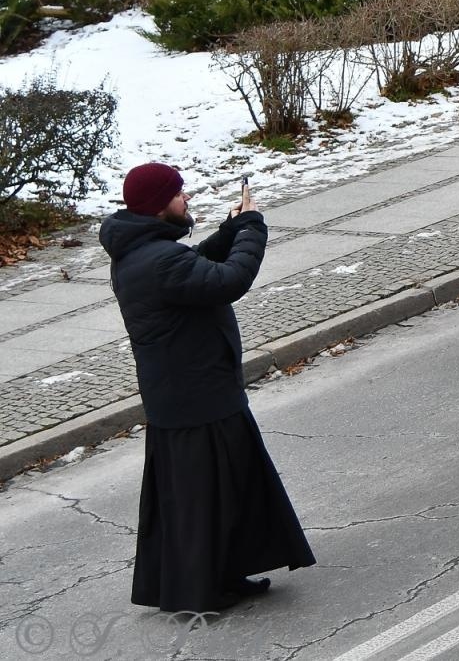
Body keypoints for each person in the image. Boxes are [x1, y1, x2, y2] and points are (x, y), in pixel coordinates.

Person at [100, 163, 314, 612]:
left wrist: (230, 231)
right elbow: (228, 280)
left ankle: (225, 573)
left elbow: (196, 264)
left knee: (225, 489)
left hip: (191, 392)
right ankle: (199, 591)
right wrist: (253, 228)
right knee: (203, 499)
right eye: (179, 194)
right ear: (160, 207)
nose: (187, 200)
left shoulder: (142, 252)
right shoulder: (159, 260)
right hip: (195, 397)